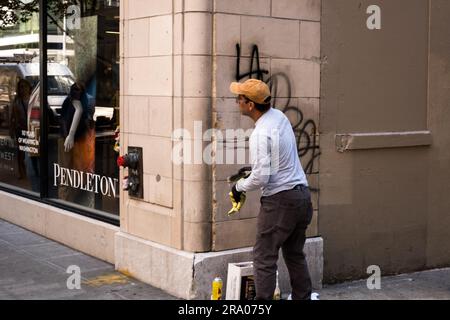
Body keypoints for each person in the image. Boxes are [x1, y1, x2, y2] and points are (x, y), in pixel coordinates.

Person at [229, 79, 313, 300]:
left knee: (264, 257)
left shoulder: (259, 134)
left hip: (280, 201)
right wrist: (253, 171)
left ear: (250, 105)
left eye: (240, 98)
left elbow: (261, 177)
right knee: (294, 254)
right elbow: (276, 159)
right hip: (302, 196)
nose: (237, 101)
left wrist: (239, 186)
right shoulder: (279, 117)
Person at [10, 79, 32, 179]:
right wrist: (12, 129)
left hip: (31, 130)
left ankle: (31, 171)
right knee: (21, 152)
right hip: (21, 129)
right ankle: (22, 173)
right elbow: (12, 116)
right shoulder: (17, 101)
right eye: (21, 87)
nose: (23, 89)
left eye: (25, 86)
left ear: (29, 88)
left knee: (32, 151)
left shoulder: (33, 99)